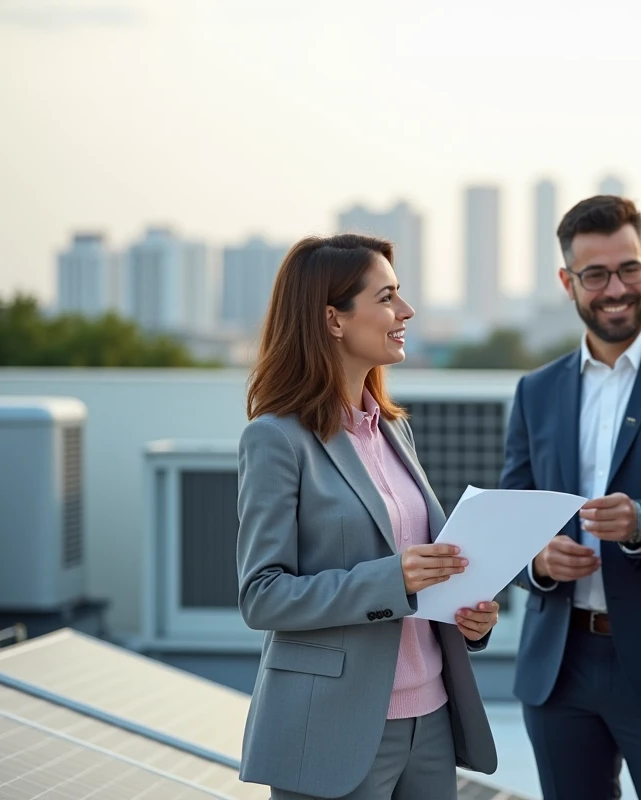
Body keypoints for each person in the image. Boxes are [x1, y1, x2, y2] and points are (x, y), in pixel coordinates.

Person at [235, 234, 499, 800]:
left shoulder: (392, 430)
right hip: (334, 728)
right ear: (333, 319)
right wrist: (393, 579)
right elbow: (262, 595)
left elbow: (418, 570)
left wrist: (465, 613)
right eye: (386, 297)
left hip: (431, 719)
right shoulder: (276, 441)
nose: (405, 312)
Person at [500, 196, 641, 799]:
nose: (616, 289)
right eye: (595, 275)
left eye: (629, 270)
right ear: (568, 282)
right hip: (558, 666)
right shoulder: (535, 391)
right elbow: (509, 516)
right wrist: (537, 560)